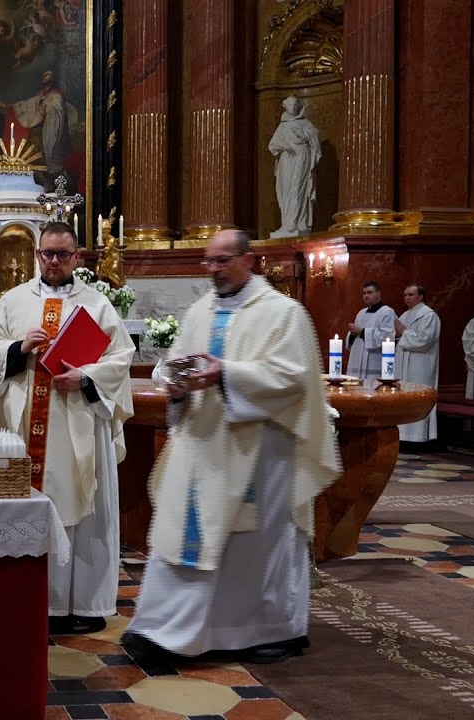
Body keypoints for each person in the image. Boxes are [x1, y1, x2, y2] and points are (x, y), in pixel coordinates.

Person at [123, 229, 341, 666]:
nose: (213, 270)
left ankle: (270, 629)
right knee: (185, 532)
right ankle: (163, 629)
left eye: (222, 261)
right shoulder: (201, 310)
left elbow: (293, 378)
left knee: (254, 545)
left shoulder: (284, 313)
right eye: (208, 262)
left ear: (250, 260)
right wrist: (179, 387)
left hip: (260, 449)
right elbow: (179, 368)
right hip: (202, 443)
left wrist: (226, 374)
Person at [0, 221, 135, 635]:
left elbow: (120, 359)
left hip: (75, 421)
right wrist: (18, 348)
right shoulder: (12, 302)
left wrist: (85, 378)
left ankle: (82, 603)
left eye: (62, 254)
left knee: (82, 509)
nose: (53, 261)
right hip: (22, 422)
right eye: (47, 253)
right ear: (36, 255)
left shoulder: (98, 305)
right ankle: (24, 601)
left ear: (77, 258)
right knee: (21, 508)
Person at [268, 95, 322, 239]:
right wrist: (282, 145)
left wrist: (304, 135)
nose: (292, 108)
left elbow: (315, 139)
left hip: (301, 157)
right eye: (290, 106)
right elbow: (272, 145)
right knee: (285, 190)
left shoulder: (306, 124)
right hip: (287, 159)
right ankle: (286, 223)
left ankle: (295, 223)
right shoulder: (283, 125)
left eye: (294, 106)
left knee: (298, 187)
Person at [395, 284, 441, 442]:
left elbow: (424, 340)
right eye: (405, 295)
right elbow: (397, 337)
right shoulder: (404, 315)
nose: (407, 298)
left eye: (411, 295)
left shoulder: (429, 316)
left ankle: (418, 437)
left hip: (420, 365)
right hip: (403, 363)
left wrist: (403, 332)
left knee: (417, 396)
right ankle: (403, 435)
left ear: (421, 297)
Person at [345, 281, 397, 380]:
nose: (366, 296)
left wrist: (362, 332)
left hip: (374, 360)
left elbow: (387, 336)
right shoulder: (361, 312)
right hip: (357, 357)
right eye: (364, 293)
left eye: (369, 292)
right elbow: (355, 336)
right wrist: (352, 334)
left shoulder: (387, 312)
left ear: (378, 293)